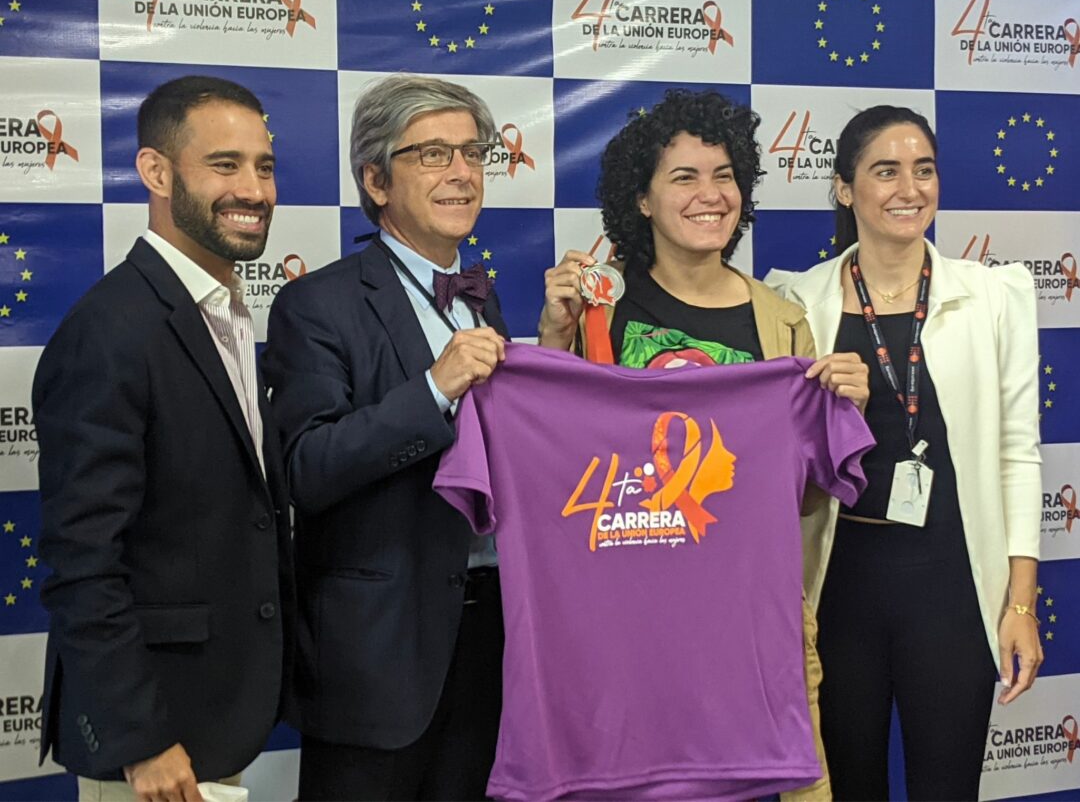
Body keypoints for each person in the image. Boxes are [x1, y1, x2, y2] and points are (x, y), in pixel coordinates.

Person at [537, 88, 870, 801]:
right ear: (642, 200)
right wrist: (554, 339)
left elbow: (803, 495)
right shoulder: (599, 314)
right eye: (684, 177)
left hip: (752, 635)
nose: (710, 194)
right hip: (629, 633)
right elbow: (554, 464)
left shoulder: (783, 321)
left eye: (725, 175)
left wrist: (842, 415)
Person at [767, 105, 1043, 800]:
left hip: (951, 588)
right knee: (846, 788)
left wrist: (1019, 606)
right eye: (885, 171)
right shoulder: (796, 302)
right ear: (844, 187)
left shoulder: (993, 297)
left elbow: (1017, 454)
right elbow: (775, 462)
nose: (909, 189)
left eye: (924, 170)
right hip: (838, 590)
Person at [33, 75, 294, 802]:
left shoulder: (222, 311)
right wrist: (140, 740)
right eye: (224, 165)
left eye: (264, 166)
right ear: (156, 171)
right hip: (153, 746)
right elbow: (82, 560)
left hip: (215, 716)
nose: (254, 190)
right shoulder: (110, 331)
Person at [262, 74, 508, 801]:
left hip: (488, 637)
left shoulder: (484, 297)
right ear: (375, 180)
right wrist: (433, 389)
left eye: (472, 153)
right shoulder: (316, 302)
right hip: (376, 657)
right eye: (433, 154)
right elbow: (307, 468)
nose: (461, 172)